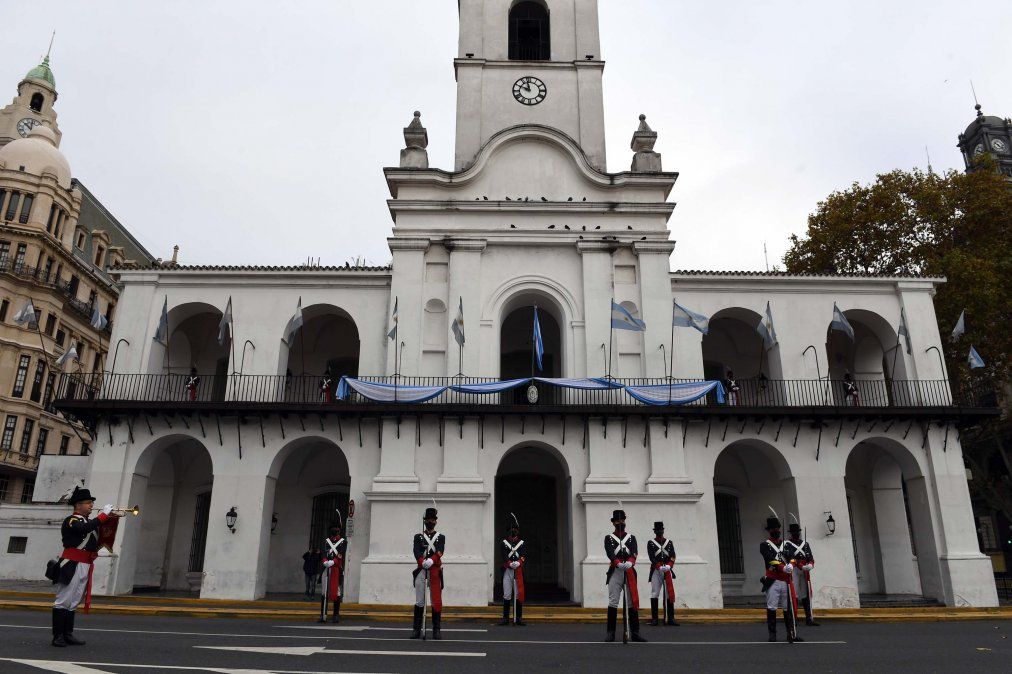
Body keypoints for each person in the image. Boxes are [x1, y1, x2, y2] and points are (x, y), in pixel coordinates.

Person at [51, 486, 121, 647]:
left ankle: (68, 634)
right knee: (63, 600)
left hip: (84, 564)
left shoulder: (89, 522)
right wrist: (103, 515)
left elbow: (97, 535)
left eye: (91, 503)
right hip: (71, 564)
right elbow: (82, 529)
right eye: (88, 503)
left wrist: (110, 518)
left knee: (74, 600)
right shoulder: (72, 520)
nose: (91, 505)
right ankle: (58, 636)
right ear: (78, 505)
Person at [603, 509, 646, 643]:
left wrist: (630, 562)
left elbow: (634, 552)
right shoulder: (608, 538)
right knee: (613, 602)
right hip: (615, 572)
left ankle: (635, 632)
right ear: (613, 522)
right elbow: (610, 552)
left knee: (631, 602)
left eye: (622, 520)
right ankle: (611, 633)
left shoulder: (631, 538)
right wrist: (617, 562)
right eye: (617, 521)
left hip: (629, 571)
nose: (620, 523)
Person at [760, 515, 803, 643]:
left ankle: (791, 633)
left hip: (785, 581)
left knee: (787, 607)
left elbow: (794, 557)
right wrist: (782, 567)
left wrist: (791, 564)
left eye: (777, 528)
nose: (776, 531)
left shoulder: (786, 544)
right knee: (772, 607)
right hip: (773, 580)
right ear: (769, 531)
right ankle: (772, 634)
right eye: (773, 529)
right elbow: (769, 559)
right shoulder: (764, 545)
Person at [410, 507, 444, 640]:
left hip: (434, 569)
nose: (430, 522)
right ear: (424, 521)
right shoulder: (418, 537)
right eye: (428, 520)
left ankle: (436, 630)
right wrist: (421, 561)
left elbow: (440, 550)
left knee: (436, 600)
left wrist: (432, 560)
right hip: (421, 569)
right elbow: (416, 550)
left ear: (435, 521)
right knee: (419, 601)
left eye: (432, 520)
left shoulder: (441, 537)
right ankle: (416, 630)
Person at [783, 522, 819, 626]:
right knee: (794, 593)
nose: (796, 534)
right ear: (791, 533)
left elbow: (810, 557)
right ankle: (794, 618)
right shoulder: (787, 544)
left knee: (806, 593)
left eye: (797, 532)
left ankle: (809, 618)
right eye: (794, 532)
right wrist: (800, 565)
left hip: (804, 571)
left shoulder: (805, 544)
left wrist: (811, 565)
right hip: (794, 569)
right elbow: (789, 557)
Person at [646, 521, 678, 626]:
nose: (660, 531)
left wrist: (669, 565)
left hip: (667, 570)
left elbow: (673, 555)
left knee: (669, 593)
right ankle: (654, 618)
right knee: (655, 593)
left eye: (661, 530)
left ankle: (671, 618)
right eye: (658, 530)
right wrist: (659, 566)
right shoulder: (650, 543)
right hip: (656, 570)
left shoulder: (669, 542)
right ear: (655, 531)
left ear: (663, 530)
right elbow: (652, 557)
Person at [499, 514, 526, 626]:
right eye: (512, 529)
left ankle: (518, 617)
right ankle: (505, 618)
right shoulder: (504, 543)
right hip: (508, 571)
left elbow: (524, 555)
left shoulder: (522, 543)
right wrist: (510, 563)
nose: (513, 531)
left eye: (515, 529)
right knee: (507, 594)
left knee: (518, 594)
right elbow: (504, 556)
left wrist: (519, 562)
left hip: (518, 570)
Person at [320, 525, 347, 623]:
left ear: (339, 531)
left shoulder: (343, 542)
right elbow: (323, 553)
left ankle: (336, 615)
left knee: (337, 592)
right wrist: (324, 561)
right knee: (324, 592)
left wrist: (334, 561)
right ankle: (323, 614)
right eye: (333, 529)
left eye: (337, 529)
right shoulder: (327, 541)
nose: (335, 531)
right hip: (326, 568)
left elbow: (341, 554)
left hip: (336, 569)